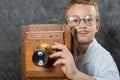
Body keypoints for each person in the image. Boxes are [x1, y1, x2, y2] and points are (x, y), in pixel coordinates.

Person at [50, 0, 120, 80]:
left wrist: (75, 74)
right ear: (66, 27)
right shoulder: (58, 50)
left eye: (89, 20)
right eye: (75, 20)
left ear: (97, 26)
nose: (82, 25)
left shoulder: (103, 57)